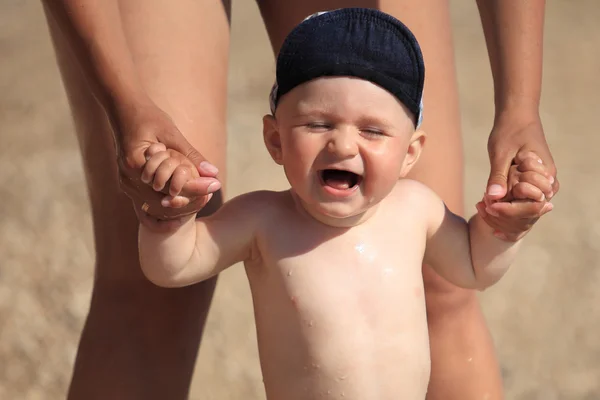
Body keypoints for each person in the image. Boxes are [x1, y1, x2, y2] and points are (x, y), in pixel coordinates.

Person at [40, 0, 558, 399]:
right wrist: (165, 218)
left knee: (444, 295)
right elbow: (171, 269)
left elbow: (473, 266)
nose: (342, 144)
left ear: (410, 152)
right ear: (275, 140)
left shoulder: (416, 208)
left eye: (374, 131)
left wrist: (504, 223)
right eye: (317, 124)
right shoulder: (261, 218)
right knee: (145, 302)